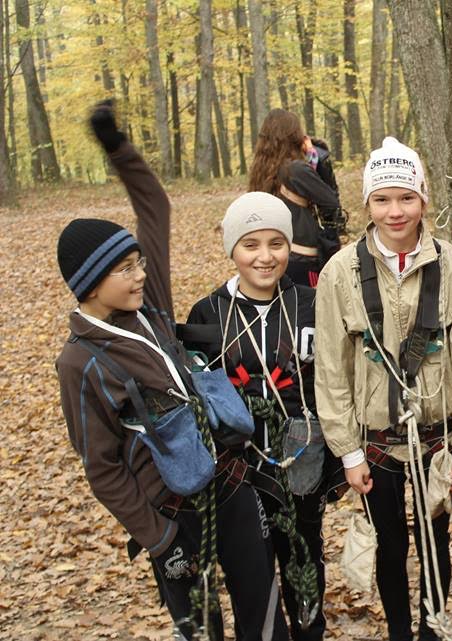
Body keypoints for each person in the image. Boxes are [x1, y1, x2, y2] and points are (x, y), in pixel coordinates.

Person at [55, 102, 287, 641]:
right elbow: (102, 466)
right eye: (123, 270)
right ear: (90, 286)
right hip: (170, 515)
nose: (139, 275)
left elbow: (154, 207)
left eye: (138, 263)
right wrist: (159, 539)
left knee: (265, 615)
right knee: (202, 630)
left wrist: (119, 149)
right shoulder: (80, 363)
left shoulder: (150, 305)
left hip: (229, 486)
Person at [315, 136, 452, 641]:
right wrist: (347, 452)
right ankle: (399, 633)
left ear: (423, 200)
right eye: (382, 199)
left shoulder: (449, 264)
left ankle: (433, 628)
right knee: (390, 544)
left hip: (435, 436)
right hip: (376, 440)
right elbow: (332, 370)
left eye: (406, 197)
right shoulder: (339, 273)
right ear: (366, 203)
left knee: (435, 539)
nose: (395, 211)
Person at [183, 192, 341, 640]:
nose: (265, 256)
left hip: (302, 462)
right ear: (232, 248)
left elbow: (334, 379)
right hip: (238, 472)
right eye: (251, 244)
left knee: (304, 566)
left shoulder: (311, 303)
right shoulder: (208, 314)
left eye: (276, 243)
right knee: (252, 579)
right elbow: (197, 396)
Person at [249, 108, 344, 286]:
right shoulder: (296, 170)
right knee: (308, 309)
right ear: (294, 135)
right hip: (302, 258)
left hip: (273, 257)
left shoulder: (261, 170)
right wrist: (321, 161)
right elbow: (332, 202)